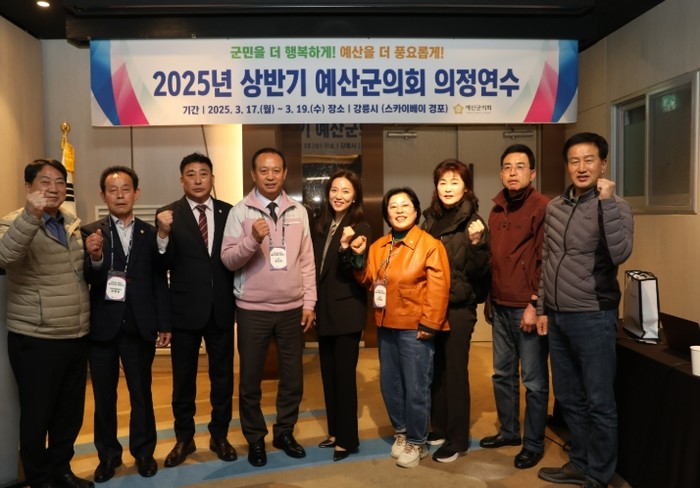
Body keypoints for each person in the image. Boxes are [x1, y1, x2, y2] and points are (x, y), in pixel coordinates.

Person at [536, 133, 634, 488]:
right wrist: (542, 307)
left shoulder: (616, 206)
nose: (581, 167)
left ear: (603, 164)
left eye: (589, 160)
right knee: (568, 397)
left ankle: (599, 474)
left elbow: (621, 253)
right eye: (574, 160)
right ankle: (579, 462)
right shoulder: (555, 207)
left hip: (594, 315)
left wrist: (606, 204)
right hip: (557, 315)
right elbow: (548, 259)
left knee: (599, 401)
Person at [220, 147, 316, 468]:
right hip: (252, 310)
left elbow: (307, 261)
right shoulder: (240, 212)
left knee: (293, 379)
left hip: (292, 309)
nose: (270, 176)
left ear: (285, 173)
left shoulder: (299, 211)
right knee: (250, 381)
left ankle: (284, 432)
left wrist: (309, 302)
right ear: (253, 174)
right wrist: (251, 239)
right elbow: (228, 259)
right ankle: (255, 438)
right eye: (264, 170)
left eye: (276, 170)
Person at [0, 159, 93, 488]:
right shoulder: (12, 221)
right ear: (29, 188)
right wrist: (30, 216)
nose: (53, 188)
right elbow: (5, 256)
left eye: (59, 182)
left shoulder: (71, 222)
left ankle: (61, 471)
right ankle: (39, 479)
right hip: (36, 337)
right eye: (44, 181)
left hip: (75, 333)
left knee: (69, 414)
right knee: (37, 415)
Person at [349, 187, 450, 469]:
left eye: (405, 205)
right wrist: (358, 258)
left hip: (415, 327)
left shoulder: (430, 245)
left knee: (416, 386)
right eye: (393, 206)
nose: (399, 211)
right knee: (390, 384)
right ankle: (402, 432)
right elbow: (368, 280)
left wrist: (430, 323)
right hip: (385, 325)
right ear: (386, 213)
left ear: (416, 210)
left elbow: (439, 288)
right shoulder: (379, 246)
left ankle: (417, 441)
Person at [82, 166, 172, 482]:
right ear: (103, 195)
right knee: (104, 398)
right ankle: (108, 457)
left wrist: (164, 323)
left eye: (126, 189)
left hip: (139, 325)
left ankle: (144, 453)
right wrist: (95, 258)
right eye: (113, 190)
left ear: (136, 193)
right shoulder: (90, 232)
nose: (120, 195)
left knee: (141, 394)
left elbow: (159, 280)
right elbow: (87, 278)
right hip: (102, 327)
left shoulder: (149, 233)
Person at [156, 153, 237, 467]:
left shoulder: (229, 212)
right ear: (182, 180)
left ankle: (220, 435)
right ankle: (184, 438)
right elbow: (160, 265)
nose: (198, 179)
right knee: (183, 381)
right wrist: (162, 234)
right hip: (184, 312)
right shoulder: (168, 215)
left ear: (212, 179)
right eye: (191, 174)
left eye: (204, 173)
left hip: (220, 309)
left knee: (222, 379)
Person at [481, 144, 550, 470]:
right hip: (500, 304)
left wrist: (534, 303)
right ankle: (509, 431)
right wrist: (490, 298)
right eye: (507, 167)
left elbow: (544, 259)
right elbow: (493, 259)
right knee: (502, 375)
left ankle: (533, 443)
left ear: (532, 173)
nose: (513, 172)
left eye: (520, 166)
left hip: (526, 307)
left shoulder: (542, 207)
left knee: (534, 381)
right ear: (500, 173)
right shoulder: (496, 209)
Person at [421, 160, 490, 463]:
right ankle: (438, 427)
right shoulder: (430, 219)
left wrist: (476, 245)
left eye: (455, 182)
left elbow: (480, 273)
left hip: (458, 307)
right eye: (443, 182)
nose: (448, 188)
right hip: (432, 305)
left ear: (466, 187)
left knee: (455, 373)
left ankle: (457, 439)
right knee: (436, 370)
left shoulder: (474, 222)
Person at [312, 170, 371, 462]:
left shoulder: (361, 226)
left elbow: (355, 268)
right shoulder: (322, 225)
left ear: (355, 196)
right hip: (324, 310)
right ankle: (335, 431)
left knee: (344, 377)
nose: (339, 196)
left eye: (346, 191)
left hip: (347, 312)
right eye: (335, 190)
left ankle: (347, 439)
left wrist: (347, 246)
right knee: (328, 374)